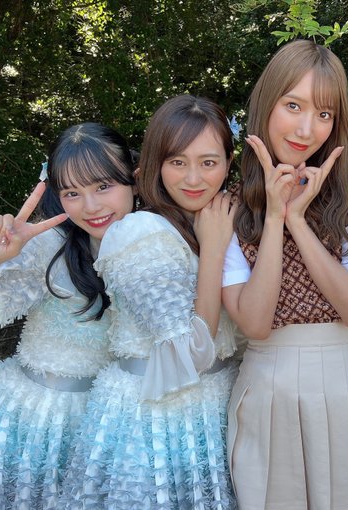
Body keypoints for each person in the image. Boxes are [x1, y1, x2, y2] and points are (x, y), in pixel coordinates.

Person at [222, 39, 348, 509]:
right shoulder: (230, 206)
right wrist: (275, 217)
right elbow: (254, 323)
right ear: (266, 104)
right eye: (292, 106)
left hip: (346, 382)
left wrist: (298, 220)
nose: (306, 129)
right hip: (267, 384)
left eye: (324, 114)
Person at [0, 123, 136, 508]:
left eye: (104, 186)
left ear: (134, 178)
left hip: (112, 431)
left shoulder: (158, 241)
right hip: (28, 428)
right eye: (72, 193)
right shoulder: (46, 247)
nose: (91, 206)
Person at [60, 95, 238, 509]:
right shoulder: (140, 232)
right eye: (177, 161)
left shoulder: (217, 218)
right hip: (157, 422)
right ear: (155, 164)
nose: (193, 178)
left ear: (228, 164)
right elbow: (190, 353)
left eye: (208, 162)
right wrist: (214, 251)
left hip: (215, 409)